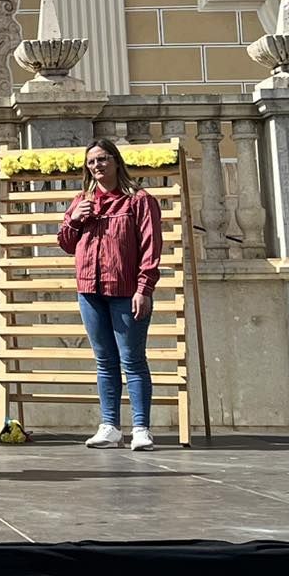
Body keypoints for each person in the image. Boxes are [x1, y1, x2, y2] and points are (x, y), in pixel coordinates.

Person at [58, 138, 163, 452]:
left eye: (103, 159)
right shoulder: (82, 201)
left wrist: (144, 289)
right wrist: (76, 219)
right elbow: (65, 243)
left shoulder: (139, 200)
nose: (97, 166)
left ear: (117, 162)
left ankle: (141, 427)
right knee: (104, 361)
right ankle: (110, 425)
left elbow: (150, 247)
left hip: (126, 290)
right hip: (89, 290)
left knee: (132, 360)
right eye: (91, 162)